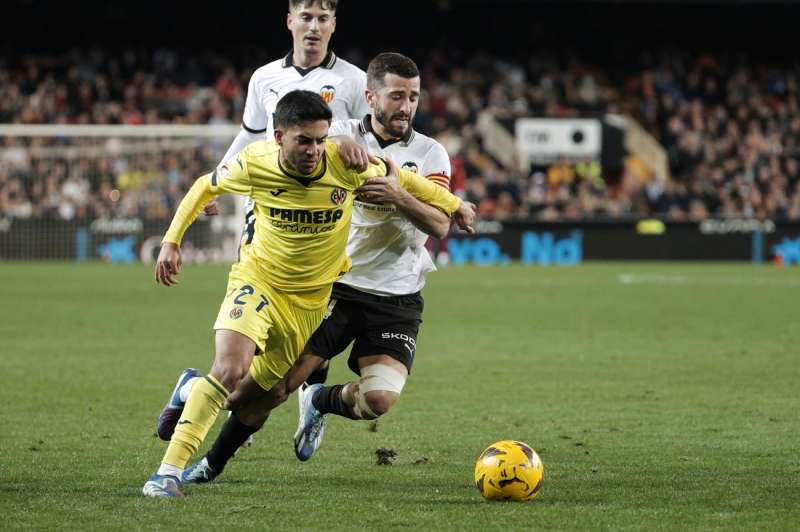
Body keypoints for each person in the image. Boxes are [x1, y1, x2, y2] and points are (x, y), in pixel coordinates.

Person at [142, 89, 475, 498]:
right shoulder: (254, 162)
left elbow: (405, 180)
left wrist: (456, 203)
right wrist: (171, 241)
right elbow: (202, 187)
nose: (315, 150)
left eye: (321, 140)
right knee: (228, 370)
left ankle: (190, 389)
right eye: (305, 141)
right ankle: (167, 474)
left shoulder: (344, 163)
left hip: (311, 302)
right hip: (258, 281)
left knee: (254, 395)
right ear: (278, 137)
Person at [202, 0, 368, 226]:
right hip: (270, 199)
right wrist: (216, 184)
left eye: (322, 18)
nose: (314, 27)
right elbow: (250, 136)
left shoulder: (356, 80)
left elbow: (371, 140)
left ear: (333, 24)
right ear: (290, 21)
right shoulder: (264, 77)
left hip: (326, 207)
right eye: (306, 17)